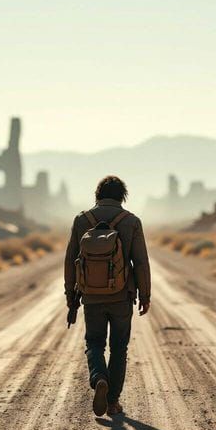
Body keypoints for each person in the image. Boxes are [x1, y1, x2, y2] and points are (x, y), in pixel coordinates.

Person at [64, 175, 151, 417]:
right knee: (119, 348)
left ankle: (99, 377)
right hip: (122, 296)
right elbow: (141, 262)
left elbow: (70, 260)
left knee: (94, 343)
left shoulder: (82, 220)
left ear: (98, 195)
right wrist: (145, 295)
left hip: (91, 296)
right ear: (122, 196)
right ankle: (112, 402)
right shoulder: (131, 221)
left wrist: (70, 294)